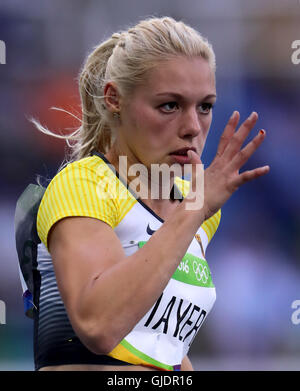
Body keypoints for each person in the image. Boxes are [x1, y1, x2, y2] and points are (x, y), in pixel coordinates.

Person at [16, 16, 269, 371]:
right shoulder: (85, 184)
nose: (193, 128)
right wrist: (195, 211)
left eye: (205, 106)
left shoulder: (192, 204)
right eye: (169, 105)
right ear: (114, 99)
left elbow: (162, 351)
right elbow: (99, 327)